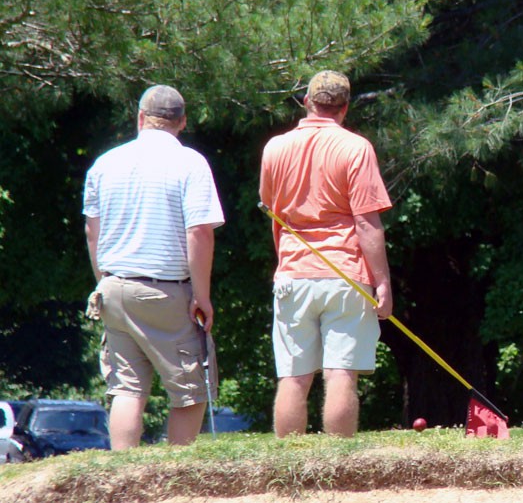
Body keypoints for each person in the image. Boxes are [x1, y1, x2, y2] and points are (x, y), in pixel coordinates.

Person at [83, 84, 225, 449]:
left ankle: (123, 477)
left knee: (127, 388)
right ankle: (173, 476)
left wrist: (104, 282)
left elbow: (91, 231)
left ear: (141, 118)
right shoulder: (190, 162)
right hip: (165, 289)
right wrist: (202, 296)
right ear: (182, 123)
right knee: (190, 390)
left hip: (113, 286)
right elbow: (199, 232)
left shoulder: (105, 163)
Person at [260, 70, 393, 438]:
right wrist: (382, 283)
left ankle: (289, 464)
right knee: (341, 373)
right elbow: (367, 225)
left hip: (292, 275)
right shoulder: (356, 147)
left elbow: (274, 214)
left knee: (294, 376)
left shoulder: (274, 148)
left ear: (307, 102)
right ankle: (339, 462)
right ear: (345, 108)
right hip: (345, 273)